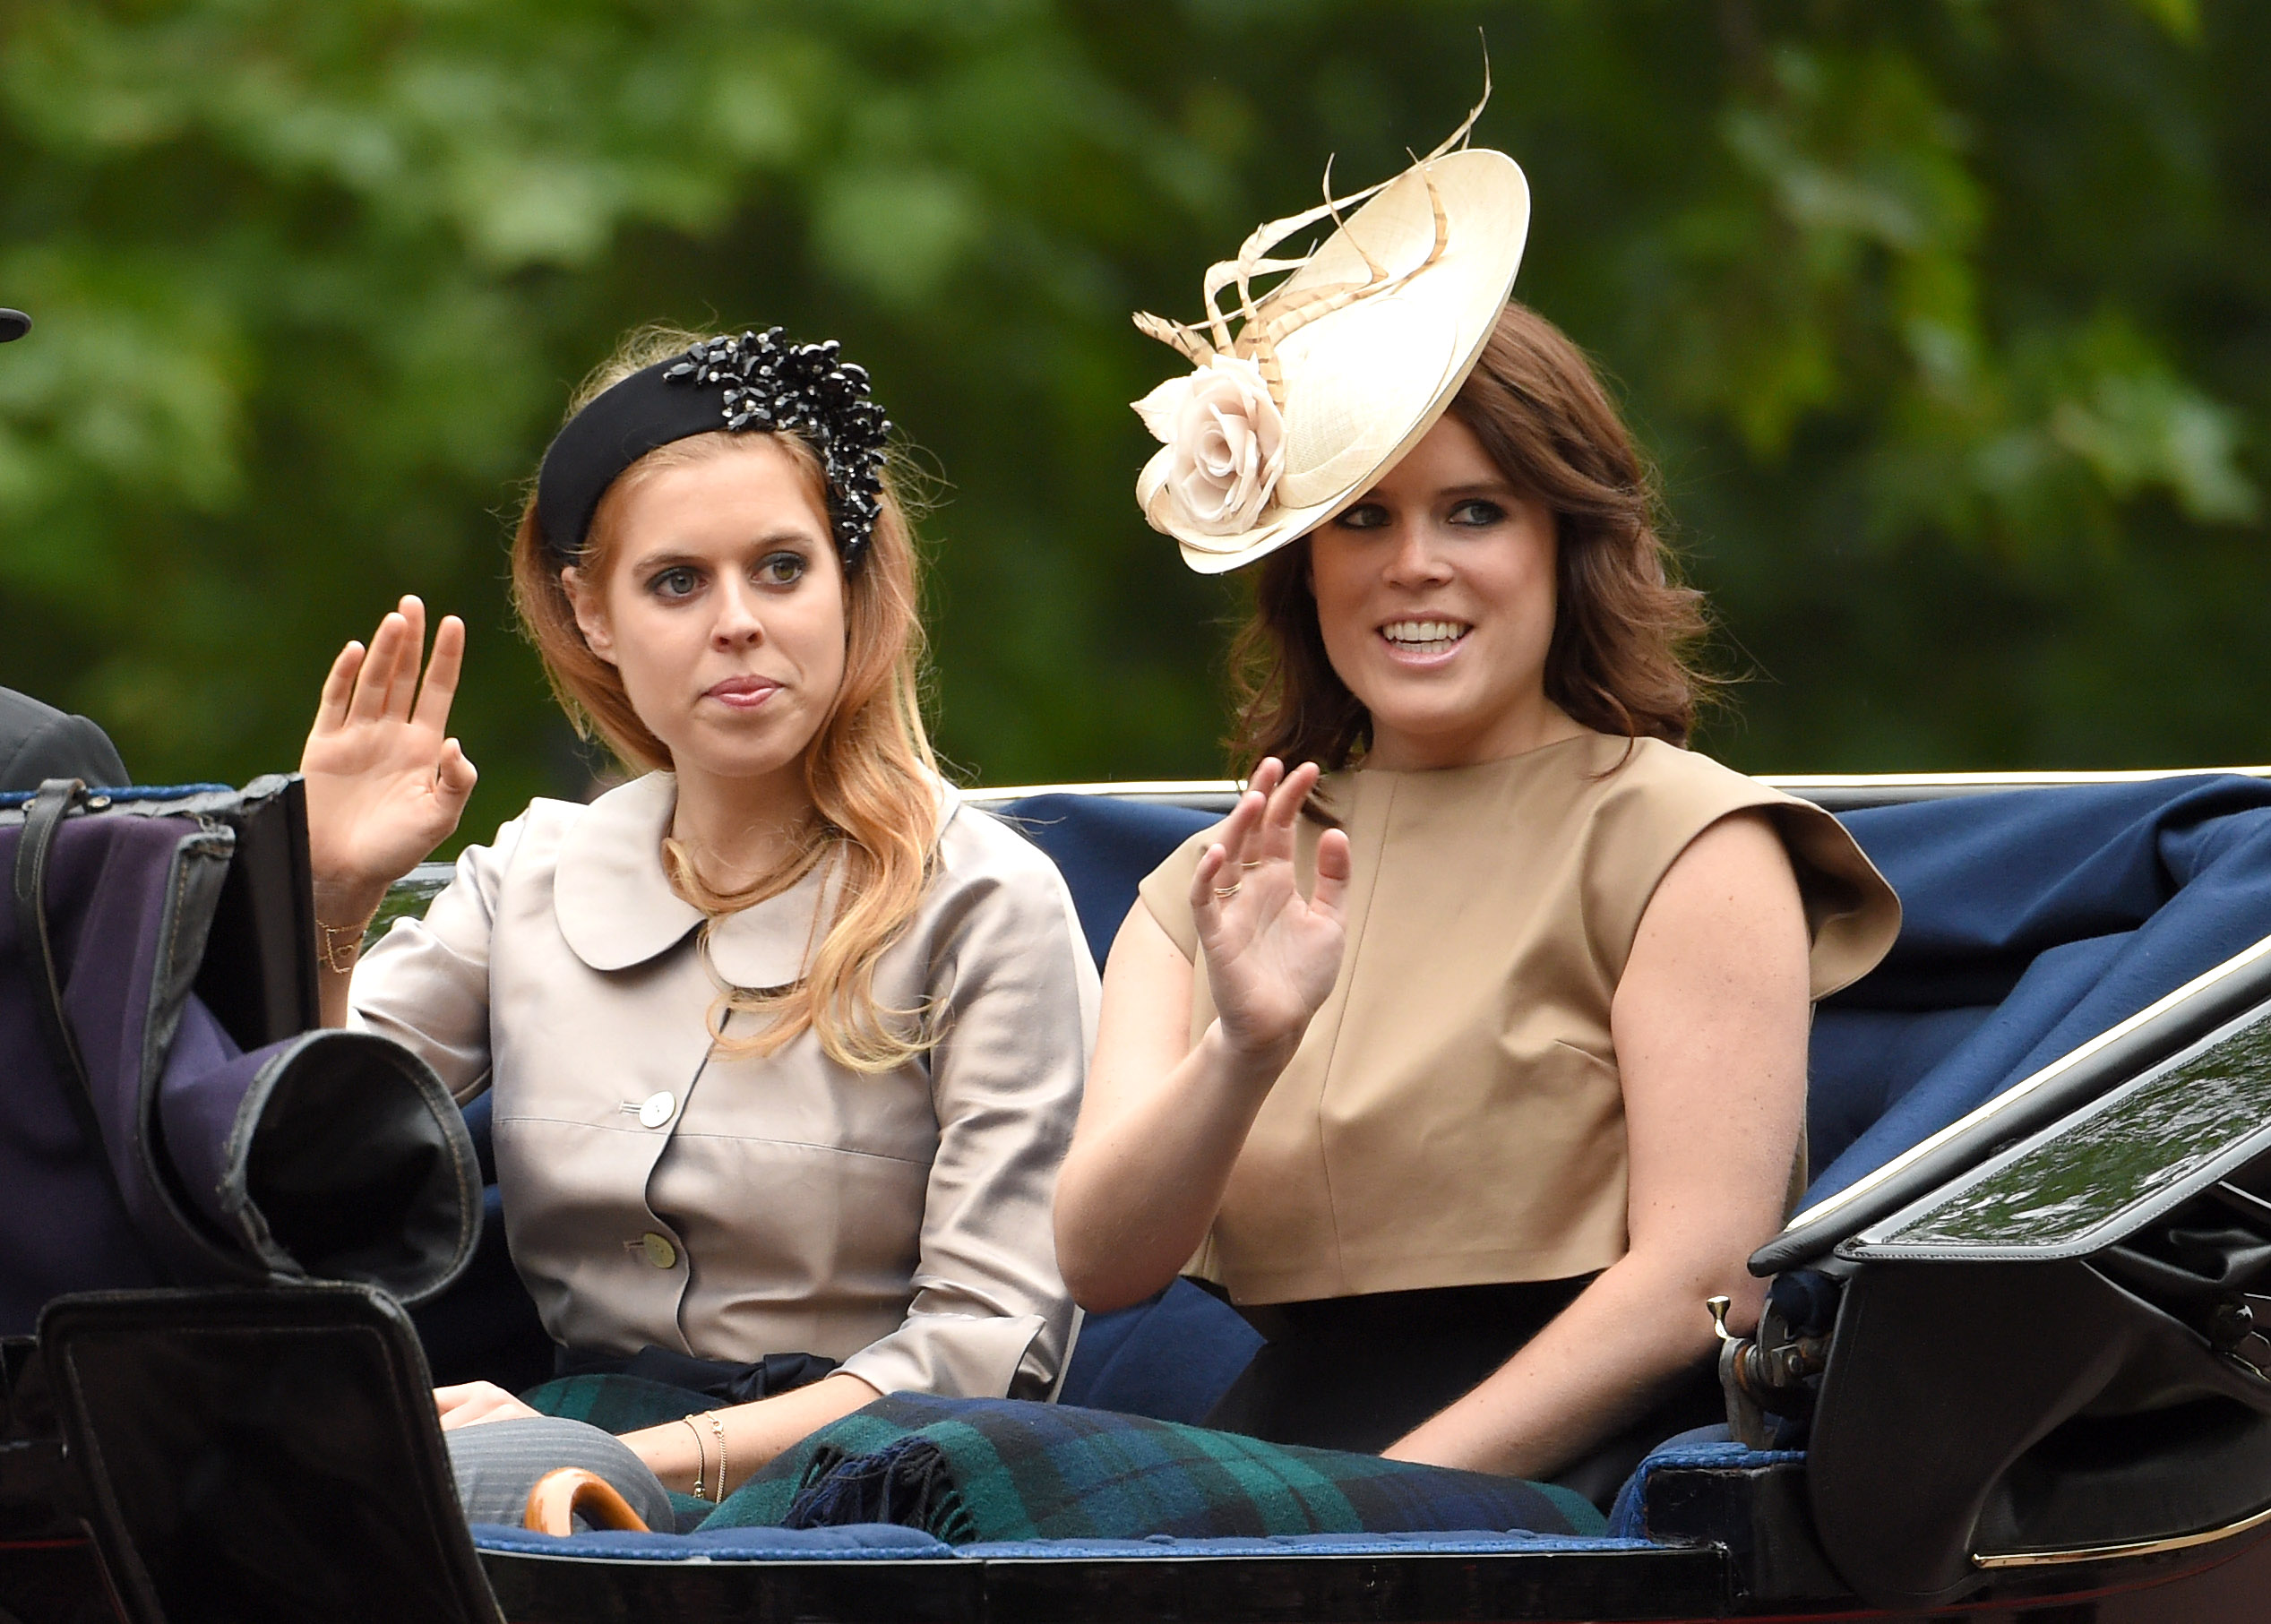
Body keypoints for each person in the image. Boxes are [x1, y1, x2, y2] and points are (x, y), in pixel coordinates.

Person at [1051, 117, 1901, 1506]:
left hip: (1580, 1475)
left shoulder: (1688, 838)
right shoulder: (1217, 880)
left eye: (1475, 512)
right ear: (1305, 568)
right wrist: (1244, 1046)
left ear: (1567, 542)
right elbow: (1101, 1263)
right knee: (917, 1473)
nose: (1413, 566)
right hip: (1285, 1455)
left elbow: (1706, 1277)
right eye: (1363, 518)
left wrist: (1391, 1505)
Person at [300, 326, 1094, 1517]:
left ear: (849, 582)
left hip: (879, 1477)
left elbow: (987, 1349)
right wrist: (333, 899)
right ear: (590, 612)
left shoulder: (983, 899)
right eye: (677, 581)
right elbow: (309, 1176)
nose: (738, 621)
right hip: (561, 1439)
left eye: (781, 567)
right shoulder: (532, 873)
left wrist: (628, 1457)